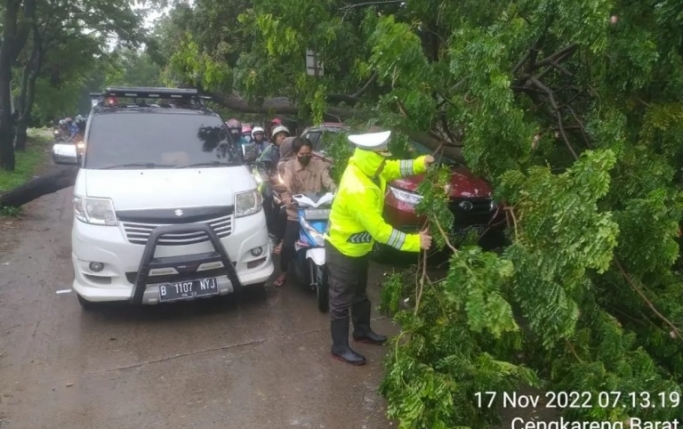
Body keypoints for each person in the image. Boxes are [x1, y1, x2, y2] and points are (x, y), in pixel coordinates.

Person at [325, 130, 434, 366]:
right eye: (381, 158)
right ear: (370, 157)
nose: (385, 161)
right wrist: (414, 242)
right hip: (342, 249)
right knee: (341, 300)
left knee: (360, 294)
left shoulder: (371, 169)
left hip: (360, 247)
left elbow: (393, 168)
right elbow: (381, 232)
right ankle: (339, 347)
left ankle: (362, 332)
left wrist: (419, 163)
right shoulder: (358, 188)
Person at [274, 137, 336, 287]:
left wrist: (337, 191)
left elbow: (328, 181)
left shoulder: (319, 165)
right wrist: (287, 197)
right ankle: (283, 272)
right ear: (296, 153)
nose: (306, 156)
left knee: (335, 242)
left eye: (308, 153)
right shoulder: (288, 167)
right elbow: (285, 185)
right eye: (302, 154)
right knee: (288, 245)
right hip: (297, 212)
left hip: (319, 212)